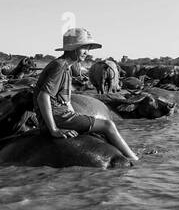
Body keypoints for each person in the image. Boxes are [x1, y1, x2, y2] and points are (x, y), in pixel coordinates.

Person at [35, 28, 139, 163]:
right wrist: (54, 129)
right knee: (108, 125)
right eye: (84, 48)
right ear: (73, 48)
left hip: (62, 114)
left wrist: (76, 117)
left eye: (88, 48)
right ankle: (133, 158)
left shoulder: (66, 66)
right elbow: (42, 97)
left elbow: (65, 101)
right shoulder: (60, 66)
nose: (87, 52)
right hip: (59, 117)